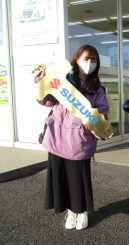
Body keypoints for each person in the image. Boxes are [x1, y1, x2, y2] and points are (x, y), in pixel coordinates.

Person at [32, 45, 112, 230]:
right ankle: (71, 211)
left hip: (79, 142)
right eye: (86, 59)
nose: (89, 63)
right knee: (61, 179)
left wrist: (101, 128)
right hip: (57, 138)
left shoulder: (97, 89)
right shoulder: (63, 80)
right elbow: (45, 100)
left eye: (93, 60)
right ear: (76, 59)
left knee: (78, 180)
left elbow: (102, 113)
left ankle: (81, 211)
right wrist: (41, 79)